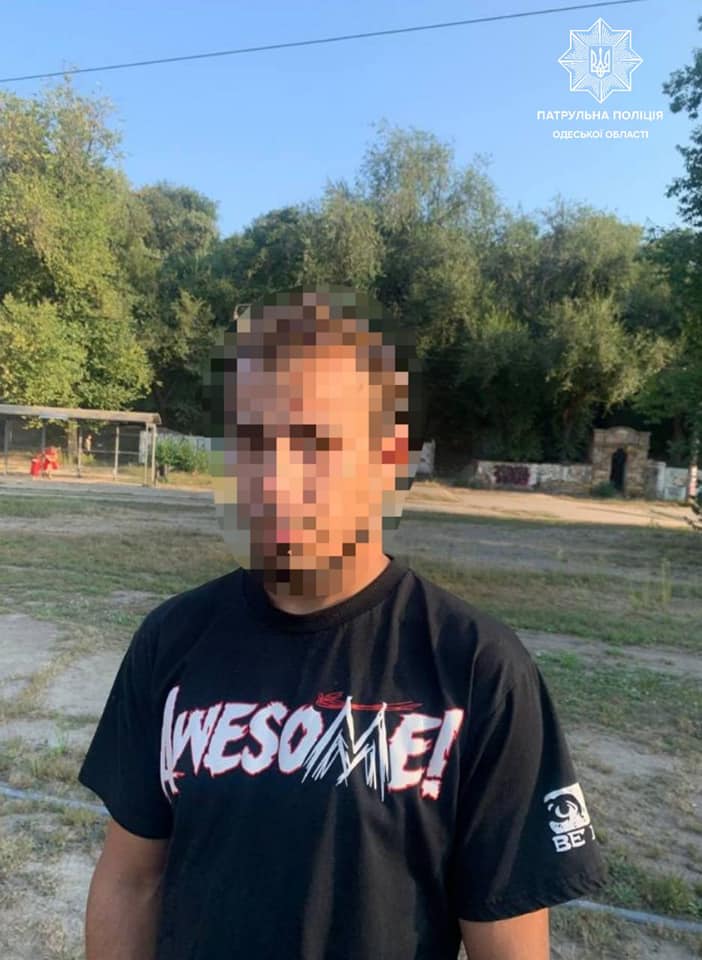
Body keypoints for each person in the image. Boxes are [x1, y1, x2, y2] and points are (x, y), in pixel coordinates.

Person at [78, 287, 608, 960]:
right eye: (251, 441)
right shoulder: (171, 640)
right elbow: (131, 880)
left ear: (390, 459)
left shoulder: (478, 670)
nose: (274, 479)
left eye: (315, 443)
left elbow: (508, 945)